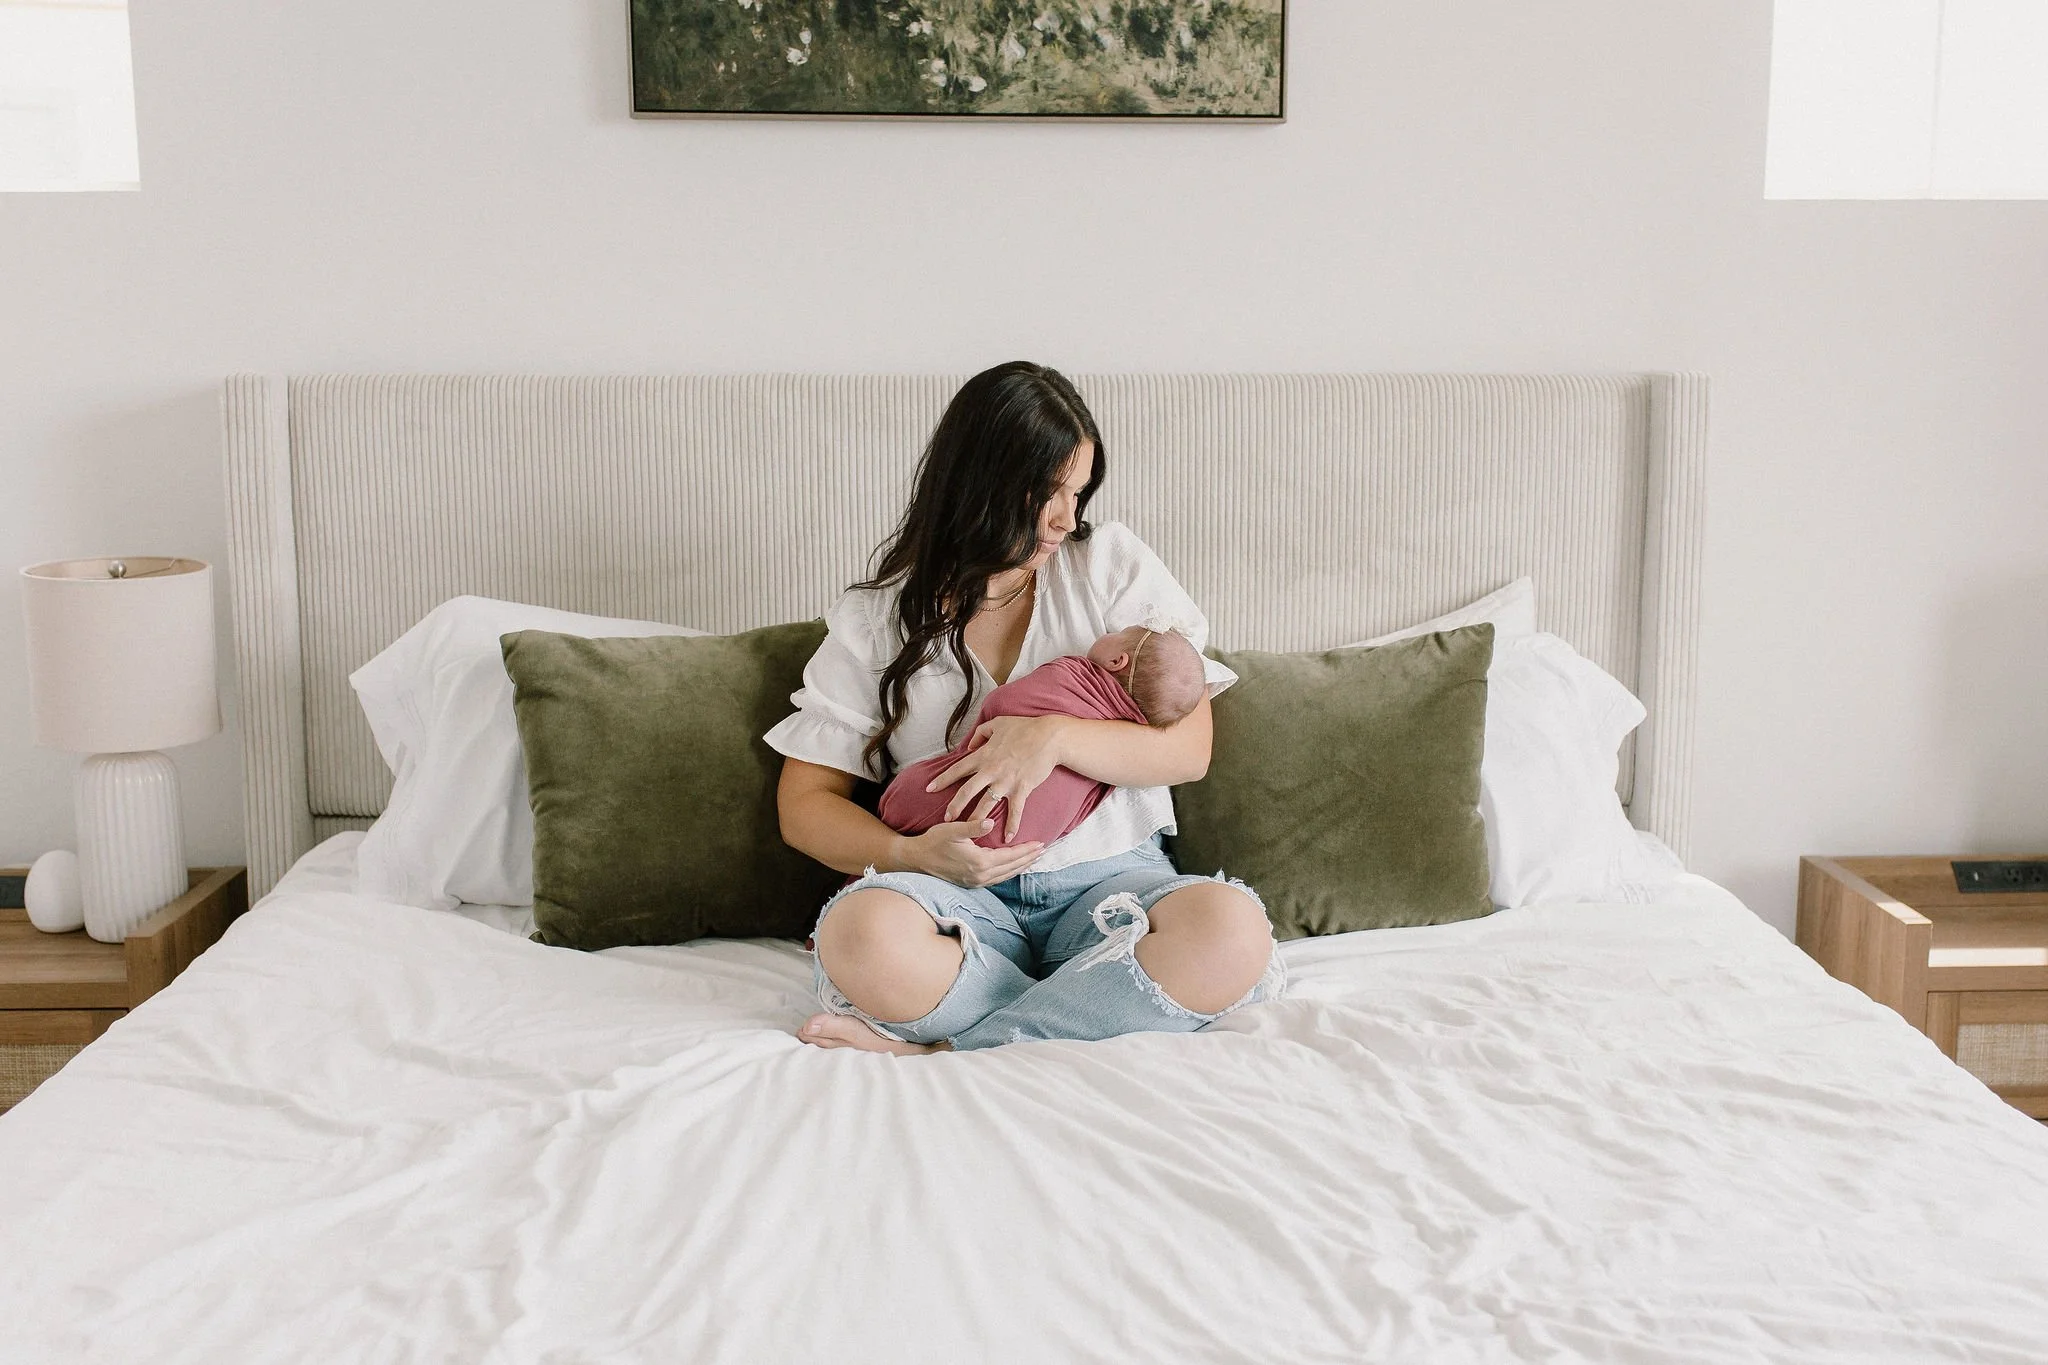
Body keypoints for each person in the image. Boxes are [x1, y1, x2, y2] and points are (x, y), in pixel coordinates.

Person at [765, 361, 1283, 1054]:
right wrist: (908, 852)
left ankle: (949, 1046)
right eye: (1048, 491)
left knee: (1230, 929)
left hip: (1108, 886)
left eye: (1078, 491)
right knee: (859, 935)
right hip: (954, 897)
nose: (1067, 517)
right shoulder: (874, 620)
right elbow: (804, 805)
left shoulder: (1108, 566)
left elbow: (1189, 750)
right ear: (981, 481)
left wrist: (1054, 737)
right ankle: (1086, 1007)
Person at [877, 626, 1209, 852]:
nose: (1108, 631)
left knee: (909, 796)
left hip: (959, 817)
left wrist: (1034, 733)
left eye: (1118, 634)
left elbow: (1002, 705)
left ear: (1116, 661)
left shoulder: (1074, 675)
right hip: (1022, 844)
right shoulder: (1128, 740)